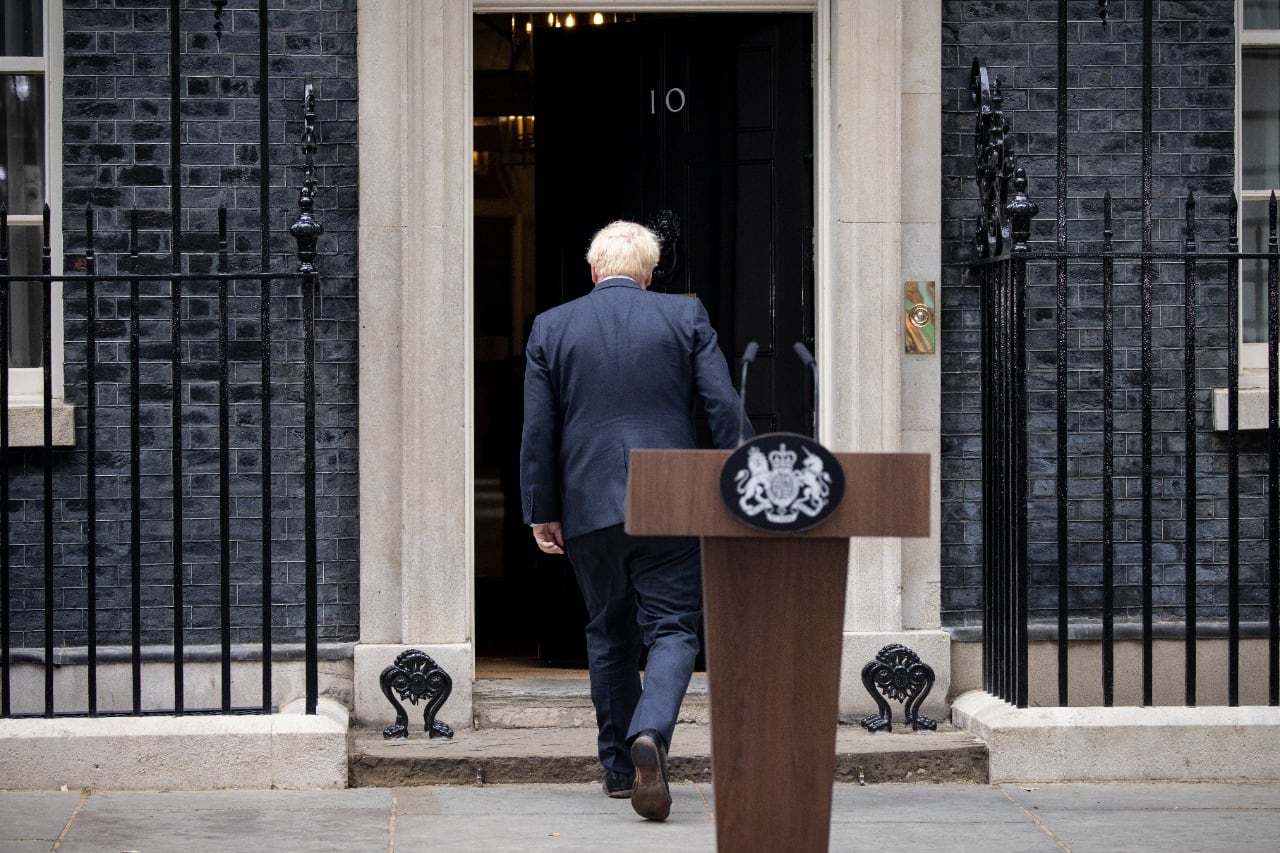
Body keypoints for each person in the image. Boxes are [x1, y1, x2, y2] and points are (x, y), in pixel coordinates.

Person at [519, 220, 749, 821]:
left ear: (594, 272)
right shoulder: (685, 317)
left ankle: (621, 770)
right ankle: (652, 733)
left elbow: (539, 429)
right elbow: (722, 405)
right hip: (670, 491)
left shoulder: (552, 327)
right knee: (673, 627)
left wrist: (542, 509)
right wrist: (741, 479)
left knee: (609, 631)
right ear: (648, 276)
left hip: (588, 500)